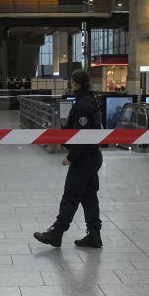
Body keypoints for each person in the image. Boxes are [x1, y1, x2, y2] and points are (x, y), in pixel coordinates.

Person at [33, 68, 103, 249]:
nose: (70, 85)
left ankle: (56, 233)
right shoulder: (88, 101)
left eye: (71, 82)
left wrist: (71, 157)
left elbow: (82, 135)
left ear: (76, 83)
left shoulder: (82, 105)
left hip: (84, 158)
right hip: (92, 156)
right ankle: (94, 234)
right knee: (88, 196)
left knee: (71, 195)